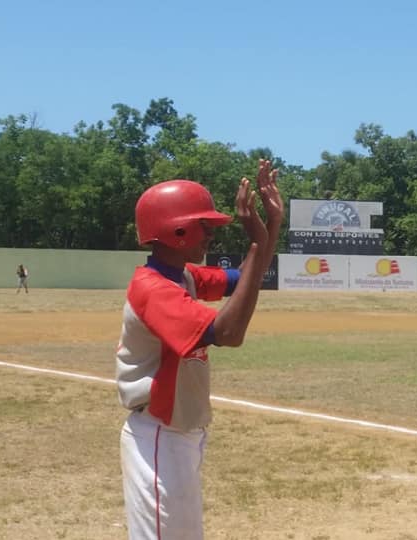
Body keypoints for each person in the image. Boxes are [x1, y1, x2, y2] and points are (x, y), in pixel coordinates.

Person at [116, 159, 283, 540]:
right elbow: (228, 332)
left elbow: (247, 279)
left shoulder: (181, 275)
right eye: (202, 226)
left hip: (180, 431)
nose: (209, 235)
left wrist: (271, 226)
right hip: (159, 435)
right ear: (175, 230)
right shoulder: (153, 288)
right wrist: (256, 239)